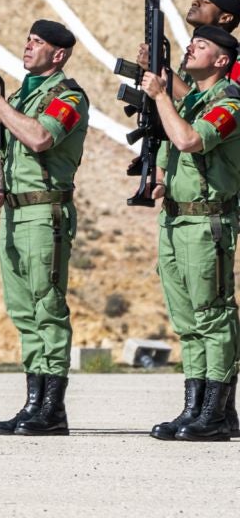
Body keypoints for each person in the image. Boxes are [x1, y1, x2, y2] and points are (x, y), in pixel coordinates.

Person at [0, 19, 88, 436]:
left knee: (47, 308)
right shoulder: (24, 94)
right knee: (24, 311)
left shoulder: (67, 95)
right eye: (28, 40)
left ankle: (52, 409)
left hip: (45, 213)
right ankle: (34, 402)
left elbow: (39, 138)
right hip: (17, 213)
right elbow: (3, 145)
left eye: (38, 43)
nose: (28, 46)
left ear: (58, 55)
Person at [140, 25, 240, 441]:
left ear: (221, 60)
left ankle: (215, 413)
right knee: (187, 320)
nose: (190, 48)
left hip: (206, 222)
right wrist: (158, 181)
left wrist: (162, 94)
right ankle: (194, 408)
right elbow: (167, 144)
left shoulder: (230, 102)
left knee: (212, 316)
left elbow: (189, 140)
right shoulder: (196, 98)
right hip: (176, 218)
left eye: (201, 45)